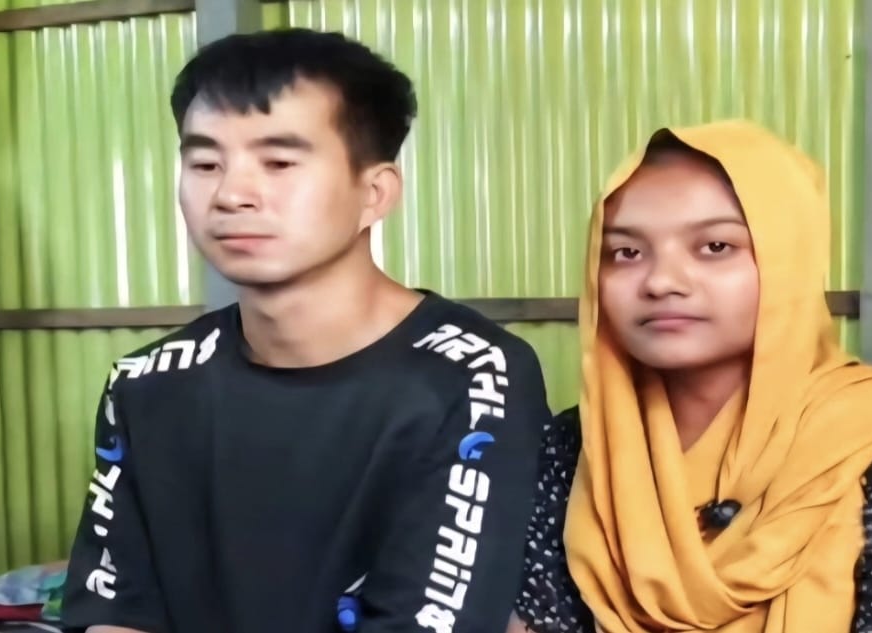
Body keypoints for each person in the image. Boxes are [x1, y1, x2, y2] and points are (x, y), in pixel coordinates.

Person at [60, 28, 552, 633]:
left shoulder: (471, 376)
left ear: (374, 193)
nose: (232, 195)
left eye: (278, 163)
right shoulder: (146, 384)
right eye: (205, 163)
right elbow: (115, 612)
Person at [509, 120, 872, 633]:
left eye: (716, 247)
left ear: (791, 261)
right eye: (626, 252)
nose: (662, 281)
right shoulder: (576, 444)